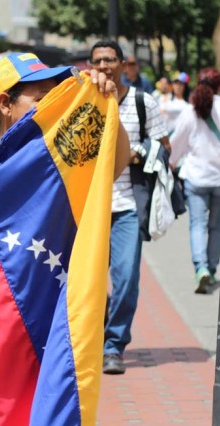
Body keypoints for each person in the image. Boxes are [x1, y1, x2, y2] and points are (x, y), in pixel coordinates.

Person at [90, 40, 169, 375]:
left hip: (127, 206)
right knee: (88, 281)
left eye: (111, 59)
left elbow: (164, 147)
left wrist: (134, 152)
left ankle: (114, 346)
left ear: (123, 65)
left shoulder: (142, 102)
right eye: (98, 60)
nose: (105, 65)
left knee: (125, 279)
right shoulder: (82, 102)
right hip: (88, 208)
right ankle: (101, 326)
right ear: (90, 66)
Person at [0, 53, 129, 177]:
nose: (54, 104)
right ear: (5, 104)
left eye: (56, 96)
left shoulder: (61, 154)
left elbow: (111, 169)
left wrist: (109, 104)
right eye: (42, 98)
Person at [168, 68, 220, 295]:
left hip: (196, 177)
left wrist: (170, 165)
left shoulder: (190, 110)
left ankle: (201, 268)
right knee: (217, 226)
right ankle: (212, 269)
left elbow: (176, 144)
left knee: (197, 224)